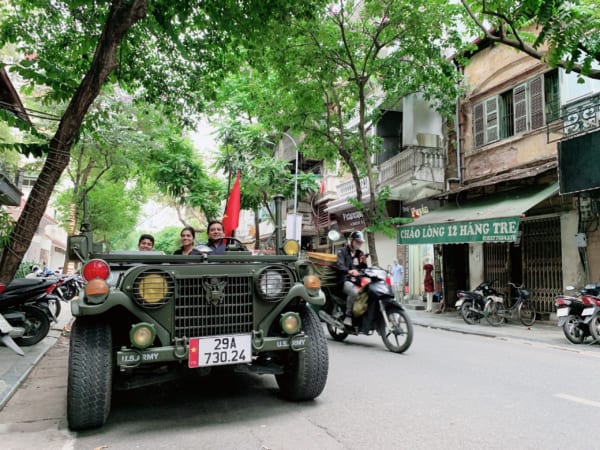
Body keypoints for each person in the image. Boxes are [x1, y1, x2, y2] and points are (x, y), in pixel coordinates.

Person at [336, 230, 366, 326]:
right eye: (357, 241)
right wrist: (349, 271)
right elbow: (340, 265)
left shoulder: (360, 253)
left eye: (360, 242)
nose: (359, 244)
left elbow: (363, 269)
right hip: (344, 280)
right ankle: (348, 316)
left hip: (356, 281)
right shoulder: (342, 251)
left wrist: (364, 263)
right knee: (354, 292)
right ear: (351, 240)